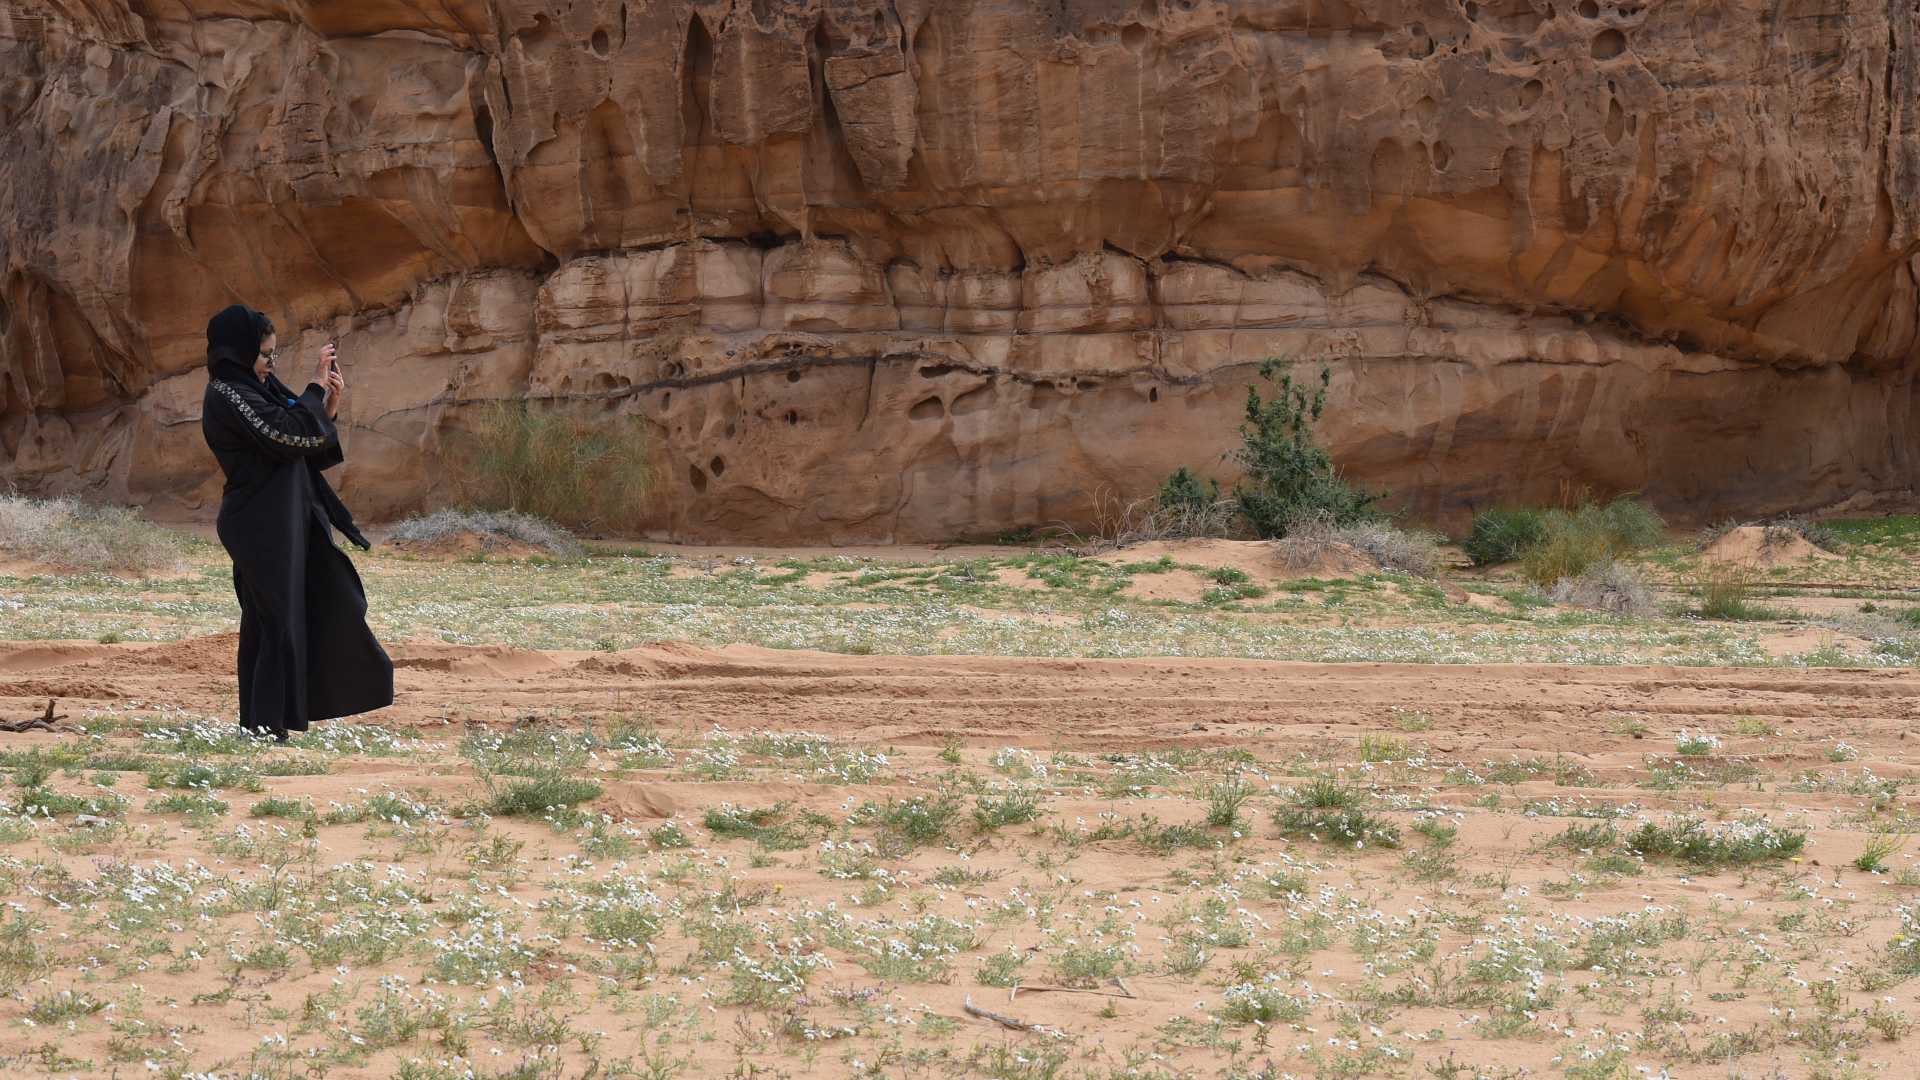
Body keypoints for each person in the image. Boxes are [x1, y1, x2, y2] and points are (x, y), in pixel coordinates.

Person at [200, 304, 394, 741]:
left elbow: (305, 443)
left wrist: (329, 405)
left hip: (286, 521)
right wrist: (313, 388)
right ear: (239, 352)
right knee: (274, 623)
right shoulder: (228, 394)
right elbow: (284, 433)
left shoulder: (259, 388)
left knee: (307, 608)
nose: (271, 364)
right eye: (264, 355)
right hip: (258, 525)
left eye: (273, 354)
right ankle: (265, 725)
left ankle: (271, 721)